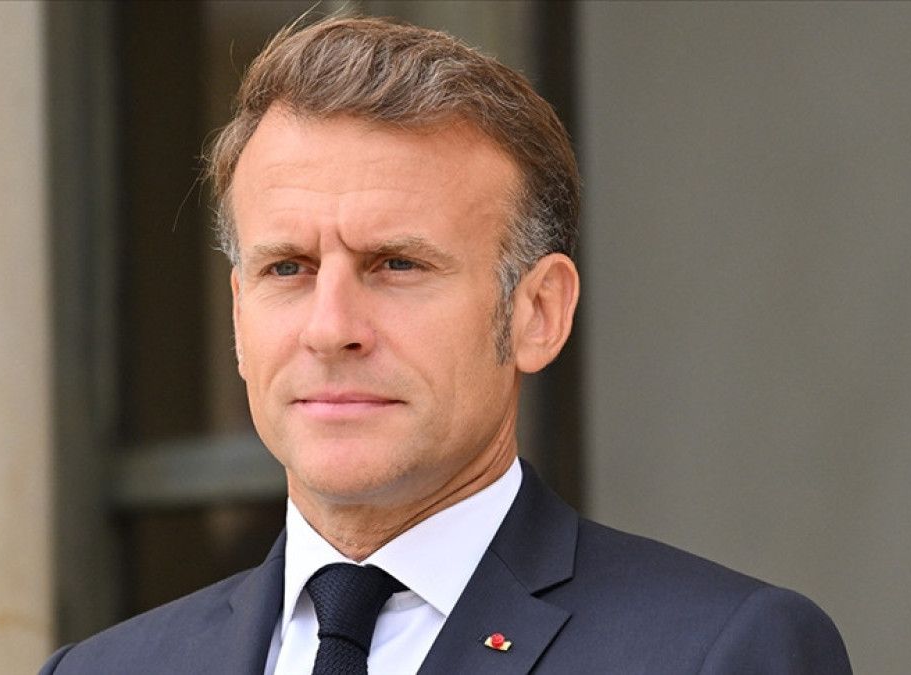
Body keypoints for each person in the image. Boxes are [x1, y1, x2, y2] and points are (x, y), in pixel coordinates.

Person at [41, 15, 850, 674]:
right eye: (287, 268)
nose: (330, 327)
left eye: (397, 264)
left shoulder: (721, 653)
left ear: (537, 312)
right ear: (237, 316)